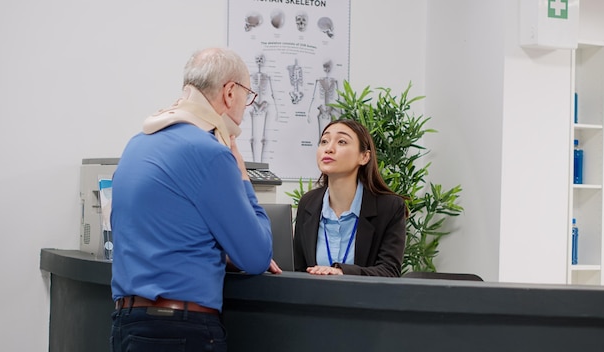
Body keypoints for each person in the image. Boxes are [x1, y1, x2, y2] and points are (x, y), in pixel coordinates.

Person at [110, 47, 281, 352]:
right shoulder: (210, 153)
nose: (246, 107)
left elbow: (162, 233)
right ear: (230, 93)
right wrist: (241, 173)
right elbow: (256, 256)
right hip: (180, 330)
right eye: (248, 96)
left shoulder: (136, 145)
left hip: (127, 326)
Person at [293, 119, 408, 277]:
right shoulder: (308, 203)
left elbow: (389, 271)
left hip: (364, 300)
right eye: (324, 141)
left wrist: (342, 272)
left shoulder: (389, 207)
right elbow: (298, 269)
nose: (329, 148)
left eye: (341, 141)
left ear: (364, 157)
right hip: (314, 299)